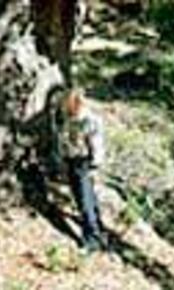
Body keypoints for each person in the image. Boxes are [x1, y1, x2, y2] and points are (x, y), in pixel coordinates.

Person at [59, 88, 105, 252]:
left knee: (85, 200)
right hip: (74, 160)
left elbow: (96, 142)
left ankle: (91, 239)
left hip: (83, 162)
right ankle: (99, 232)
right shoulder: (72, 119)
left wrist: (95, 163)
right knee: (87, 199)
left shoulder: (88, 120)